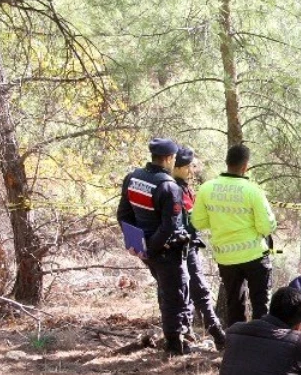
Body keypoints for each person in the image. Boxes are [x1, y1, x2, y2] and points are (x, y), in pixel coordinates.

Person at [117, 137, 192, 356]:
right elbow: (169, 227)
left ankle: (181, 336)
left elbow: (123, 214)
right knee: (174, 296)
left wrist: (136, 243)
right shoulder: (169, 187)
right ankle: (174, 345)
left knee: (167, 291)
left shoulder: (132, 178)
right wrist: (152, 248)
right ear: (168, 158)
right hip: (164, 251)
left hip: (145, 249)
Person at [192, 144, 278, 327]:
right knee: (261, 305)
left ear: (227, 162)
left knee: (234, 304)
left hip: (226, 257)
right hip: (254, 255)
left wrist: (220, 222)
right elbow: (266, 226)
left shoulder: (206, 189)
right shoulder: (253, 190)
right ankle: (261, 347)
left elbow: (198, 222)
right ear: (245, 166)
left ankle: (235, 345)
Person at [172, 146, 227, 350]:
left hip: (190, 244)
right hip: (182, 248)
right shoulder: (174, 189)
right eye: (189, 166)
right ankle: (217, 334)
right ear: (180, 167)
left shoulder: (184, 187)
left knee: (194, 290)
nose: (192, 170)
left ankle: (189, 333)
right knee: (198, 290)